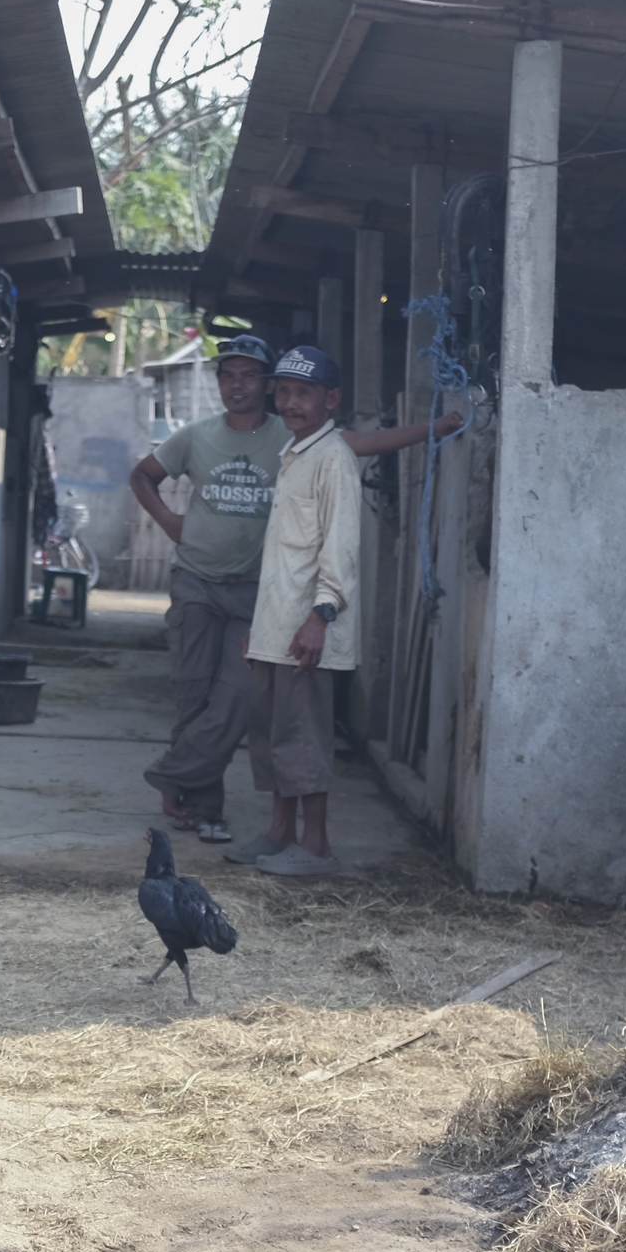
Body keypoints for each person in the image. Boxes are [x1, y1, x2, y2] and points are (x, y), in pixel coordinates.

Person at [232, 345, 459, 876]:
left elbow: (341, 548)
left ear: (330, 399)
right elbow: (283, 558)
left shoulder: (333, 458)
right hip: (277, 629)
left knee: (304, 738)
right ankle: (278, 833)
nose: (290, 402)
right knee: (273, 737)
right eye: (283, 391)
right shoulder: (296, 453)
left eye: (303, 393)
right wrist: (259, 628)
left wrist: (321, 616)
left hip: (308, 630)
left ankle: (316, 847)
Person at [131, 333, 287, 845]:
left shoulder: (289, 437)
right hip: (196, 580)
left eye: (248, 375)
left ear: (267, 385)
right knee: (194, 696)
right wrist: (170, 522)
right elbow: (142, 476)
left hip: (252, 590)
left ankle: (172, 776)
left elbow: (351, 444)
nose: (236, 385)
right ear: (218, 383)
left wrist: (431, 429)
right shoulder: (196, 436)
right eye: (227, 375)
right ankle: (204, 809)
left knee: (238, 698)